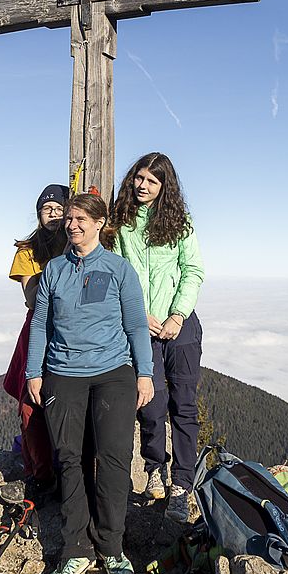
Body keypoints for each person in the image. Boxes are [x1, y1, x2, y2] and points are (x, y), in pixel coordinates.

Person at [25, 192, 155, 574]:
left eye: (82, 218)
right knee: (70, 461)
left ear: (100, 224)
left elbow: (135, 325)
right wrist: (34, 372)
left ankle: (112, 547)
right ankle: (76, 550)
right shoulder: (54, 271)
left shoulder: (119, 269)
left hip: (113, 373)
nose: (73, 225)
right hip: (63, 373)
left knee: (114, 460)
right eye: (70, 219)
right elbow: (41, 325)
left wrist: (145, 373)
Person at [110, 152, 204, 522]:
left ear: (165, 186)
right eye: (139, 178)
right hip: (141, 326)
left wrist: (178, 315)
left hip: (180, 328)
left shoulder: (180, 223)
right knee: (149, 405)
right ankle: (154, 469)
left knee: (183, 406)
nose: (142, 185)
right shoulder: (123, 223)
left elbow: (192, 270)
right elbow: (118, 273)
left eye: (151, 180)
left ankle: (181, 486)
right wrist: (137, 314)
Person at [1, 183, 69, 495]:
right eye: (47, 209)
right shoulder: (28, 251)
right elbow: (31, 298)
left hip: (73, 329)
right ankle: (41, 475)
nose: (53, 213)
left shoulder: (80, 242)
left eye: (59, 207)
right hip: (39, 328)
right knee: (32, 403)